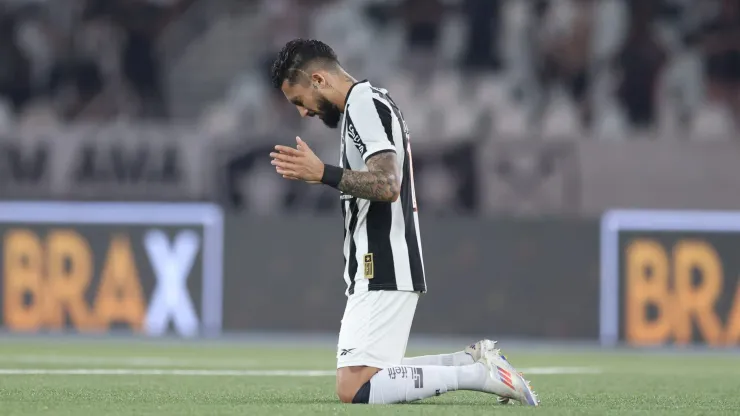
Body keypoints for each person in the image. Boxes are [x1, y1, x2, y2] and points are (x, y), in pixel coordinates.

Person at [268, 38, 539, 406]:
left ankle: (480, 374)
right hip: (381, 262)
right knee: (375, 374)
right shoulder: (368, 103)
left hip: (381, 261)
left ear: (317, 79)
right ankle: (474, 361)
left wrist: (323, 173)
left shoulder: (363, 104)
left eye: (300, 100)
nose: (304, 113)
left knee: (355, 388)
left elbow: (387, 184)